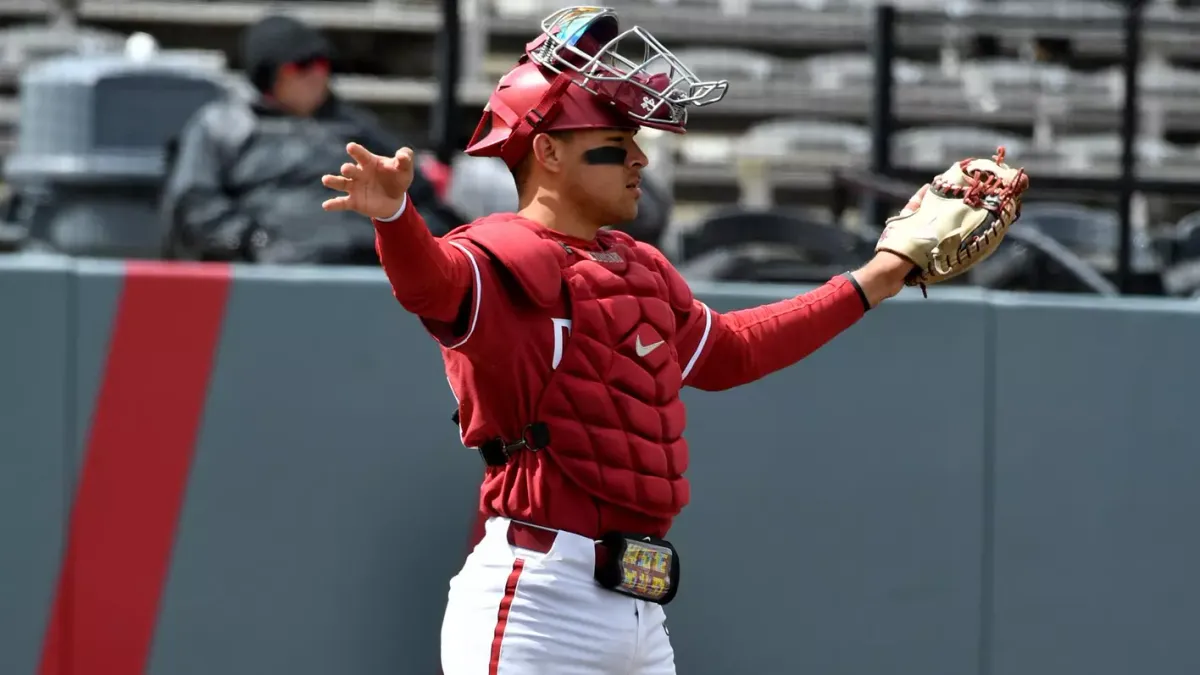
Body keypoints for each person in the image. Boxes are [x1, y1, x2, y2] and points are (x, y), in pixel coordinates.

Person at [321, 8, 924, 673]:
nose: (638, 156)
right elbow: (431, 285)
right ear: (546, 150)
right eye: (613, 140)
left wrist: (876, 278)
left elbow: (731, 351)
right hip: (538, 601)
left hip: (638, 602)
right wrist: (396, 216)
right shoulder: (501, 250)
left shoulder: (638, 266)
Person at [161, 14, 459, 264]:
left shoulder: (356, 128)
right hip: (274, 273)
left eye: (322, 64)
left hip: (369, 269)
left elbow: (418, 198)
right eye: (300, 67)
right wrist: (252, 241)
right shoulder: (221, 125)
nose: (317, 75)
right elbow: (195, 203)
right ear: (267, 76)